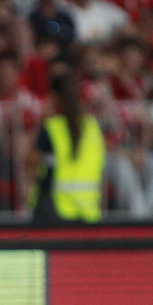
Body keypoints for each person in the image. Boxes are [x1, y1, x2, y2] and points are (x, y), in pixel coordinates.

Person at [31, 70, 104, 223]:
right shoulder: (92, 127)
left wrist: (40, 120)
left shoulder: (53, 127)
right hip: (89, 210)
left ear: (54, 97)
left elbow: (31, 162)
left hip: (56, 208)